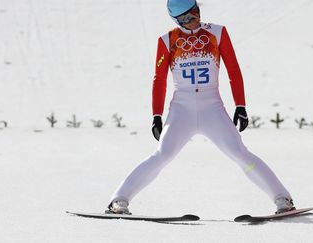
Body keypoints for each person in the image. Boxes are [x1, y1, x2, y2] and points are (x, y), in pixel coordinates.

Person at [107, 0, 295, 215]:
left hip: (212, 107)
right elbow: (159, 79)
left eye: (195, 13)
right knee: (162, 155)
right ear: (176, 20)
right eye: (185, 19)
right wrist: (156, 115)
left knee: (239, 153)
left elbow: (233, 69)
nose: (193, 20)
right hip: (182, 109)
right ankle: (118, 200)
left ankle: (283, 199)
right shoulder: (167, 40)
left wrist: (240, 105)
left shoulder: (217, 33)